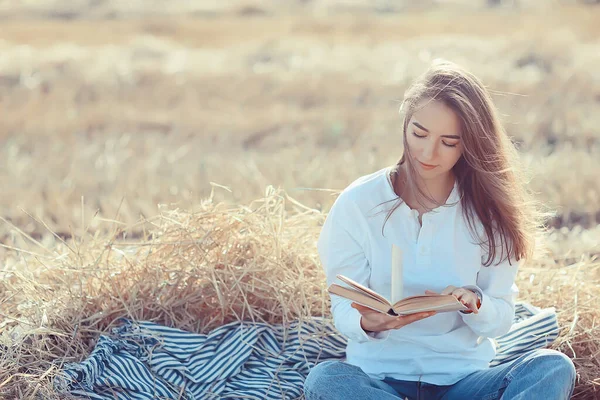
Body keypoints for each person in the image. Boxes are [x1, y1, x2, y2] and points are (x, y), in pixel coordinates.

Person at [303, 60, 576, 400]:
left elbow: (502, 319)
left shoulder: (489, 211)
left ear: (471, 145)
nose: (427, 152)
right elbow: (343, 307)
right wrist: (369, 322)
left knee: (552, 368)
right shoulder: (358, 203)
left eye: (449, 142)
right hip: (380, 381)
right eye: (419, 133)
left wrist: (475, 304)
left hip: (464, 381)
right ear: (405, 124)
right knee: (326, 379)